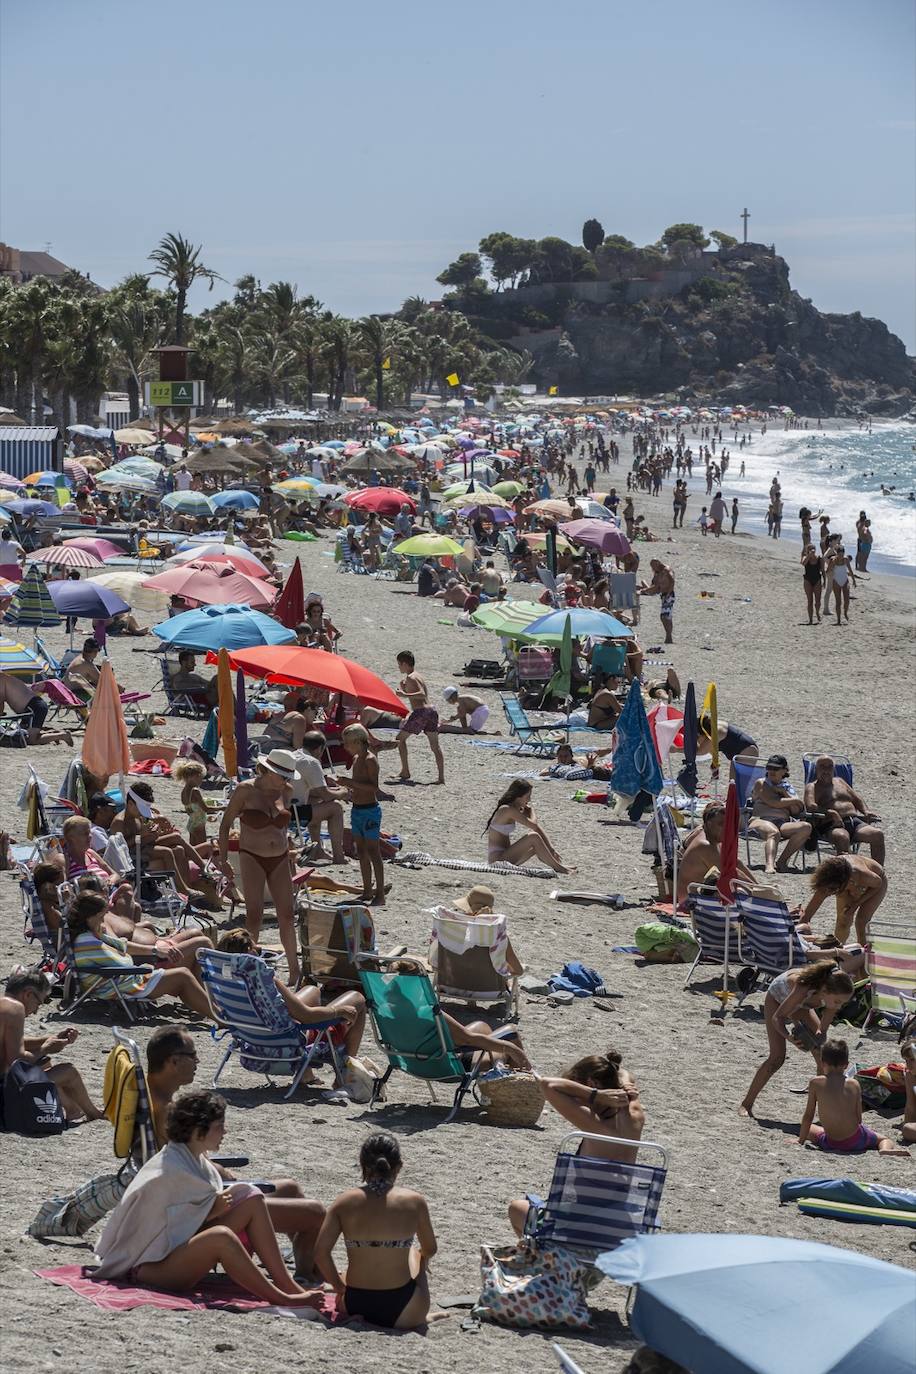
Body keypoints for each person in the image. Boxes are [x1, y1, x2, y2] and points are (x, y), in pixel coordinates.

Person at [93, 1089, 323, 1306]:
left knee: (251, 1197)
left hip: (167, 1257)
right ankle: (282, 1296)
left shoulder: (188, 1157)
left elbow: (178, 1223)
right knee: (221, 1236)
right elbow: (161, 1233)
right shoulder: (172, 1172)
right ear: (197, 1131)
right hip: (146, 1268)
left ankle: (289, 1286)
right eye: (219, 1126)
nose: (225, 1132)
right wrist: (212, 1211)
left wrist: (216, 1206)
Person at [508, 1048, 644, 1235]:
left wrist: (593, 1094)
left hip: (580, 1226)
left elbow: (547, 1084)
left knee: (517, 1208)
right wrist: (624, 1084)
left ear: (592, 1084)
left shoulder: (596, 1124)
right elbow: (622, 1072)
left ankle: (543, 1258)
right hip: (620, 1226)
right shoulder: (635, 1114)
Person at [315, 1133, 439, 1329]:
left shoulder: (344, 1201)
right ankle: (423, 1316)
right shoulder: (414, 1201)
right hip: (406, 1309)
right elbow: (431, 1248)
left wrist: (339, 1288)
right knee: (416, 1253)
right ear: (398, 1166)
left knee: (351, 1268)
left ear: (363, 1165)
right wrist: (422, 1260)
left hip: (355, 1303)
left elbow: (321, 1254)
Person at [216, 928, 367, 1066]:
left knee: (311, 990)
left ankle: (304, 1075)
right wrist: (338, 1011)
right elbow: (307, 1016)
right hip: (287, 1045)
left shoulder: (225, 984)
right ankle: (345, 1075)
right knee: (357, 998)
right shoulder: (266, 982)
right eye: (256, 949)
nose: (259, 951)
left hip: (252, 1041)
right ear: (250, 953)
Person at [218, 752, 299, 983]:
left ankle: (295, 970)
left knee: (287, 914)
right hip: (252, 854)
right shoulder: (246, 790)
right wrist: (223, 860)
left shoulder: (287, 791)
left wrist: (291, 851)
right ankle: (244, 968)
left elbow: (283, 829)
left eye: (288, 776)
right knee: (254, 915)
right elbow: (225, 825)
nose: (286, 780)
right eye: (282, 775)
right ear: (269, 771)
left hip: (280, 856)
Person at [67, 893, 213, 1017]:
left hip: (121, 980)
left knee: (181, 975)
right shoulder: (87, 941)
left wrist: (156, 951)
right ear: (95, 915)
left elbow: (123, 946)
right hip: (115, 986)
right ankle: (219, 1016)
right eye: (103, 914)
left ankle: (211, 1008)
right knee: (183, 975)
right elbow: (124, 963)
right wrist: (145, 963)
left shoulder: (93, 933)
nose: (105, 918)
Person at [739, 962, 854, 1117]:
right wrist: (789, 1037)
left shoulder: (831, 994)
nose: (838, 1007)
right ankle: (747, 1104)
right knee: (777, 1057)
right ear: (825, 990)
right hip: (777, 999)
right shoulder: (803, 987)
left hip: (802, 1005)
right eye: (838, 1002)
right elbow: (778, 1018)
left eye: (842, 1003)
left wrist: (818, 1037)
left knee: (823, 1056)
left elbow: (823, 1029)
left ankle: (824, 1109)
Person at [0, 968, 104, 1122]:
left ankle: (73, 1109)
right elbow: (17, 1061)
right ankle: (95, 1114)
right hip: (5, 1096)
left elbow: (12, 1043)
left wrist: (49, 1039)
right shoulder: (16, 1009)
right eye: (39, 1003)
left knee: (43, 1063)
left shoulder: (4, 1006)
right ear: (28, 994)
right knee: (68, 1071)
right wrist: (45, 1049)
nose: (36, 1011)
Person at [799, 1038, 908, 1156]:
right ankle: (885, 1149)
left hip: (831, 1142)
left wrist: (800, 1141)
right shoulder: (853, 1084)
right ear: (846, 1065)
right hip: (856, 1140)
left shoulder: (815, 1083)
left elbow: (808, 1116)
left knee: (810, 1128)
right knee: (884, 1139)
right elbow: (858, 1118)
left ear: (822, 1063)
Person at [337, 724, 386, 905]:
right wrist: (346, 786)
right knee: (362, 851)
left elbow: (374, 788)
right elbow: (359, 783)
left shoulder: (370, 760)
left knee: (374, 851)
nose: (345, 747)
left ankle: (380, 893)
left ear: (357, 741)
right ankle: (367, 890)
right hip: (358, 809)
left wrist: (349, 782)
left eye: (347, 744)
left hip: (370, 810)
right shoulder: (358, 758)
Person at [803, 755, 885, 863]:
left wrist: (866, 811)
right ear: (816, 769)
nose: (826, 770)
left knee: (877, 835)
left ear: (834, 769)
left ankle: (878, 873)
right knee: (842, 837)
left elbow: (857, 798)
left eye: (830, 766)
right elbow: (810, 806)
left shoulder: (840, 781)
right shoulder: (812, 787)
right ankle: (847, 874)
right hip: (831, 825)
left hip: (854, 822)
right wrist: (831, 813)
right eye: (822, 766)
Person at [799, 854, 887, 946]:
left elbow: (878, 883)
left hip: (876, 883)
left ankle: (864, 954)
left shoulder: (861, 874)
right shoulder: (827, 881)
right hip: (846, 884)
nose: (828, 894)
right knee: (843, 921)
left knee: (861, 921)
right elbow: (807, 914)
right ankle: (838, 950)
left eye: (832, 891)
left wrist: (856, 904)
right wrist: (797, 934)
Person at [484, 781, 571, 874]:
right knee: (533, 837)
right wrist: (532, 811)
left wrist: (551, 849)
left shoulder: (517, 808)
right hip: (497, 860)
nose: (529, 800)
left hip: (508, 856)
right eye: (527, 796)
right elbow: (534, 825)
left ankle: (557, 865)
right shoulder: (506, 809)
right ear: (518, 796)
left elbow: (537, 828)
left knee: (537, 846)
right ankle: (560, 868)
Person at [676, 802, 754, 904]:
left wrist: (757, 885)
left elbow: (735, 862)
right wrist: (756, 890)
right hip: (689, 901)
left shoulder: (714, 839)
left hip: (702, 892)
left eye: (727, 824)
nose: (725, 828)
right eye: (721, 824)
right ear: (709, 824)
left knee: (744, 890)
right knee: (740, 892)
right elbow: (730, 871)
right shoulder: (705, 845)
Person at [747, 755, 812, 874]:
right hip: (760, 820)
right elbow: (773, 802)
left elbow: (796, 811)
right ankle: (769, 865)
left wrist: (785, 794)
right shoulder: (761, 783)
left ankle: (782, 861)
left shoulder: (787, 787)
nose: (771, 771)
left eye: (775, 769)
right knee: (774, 832)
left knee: (805, 827)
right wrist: (795, 801)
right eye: (769, 768)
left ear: (784, 771)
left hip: (782, 822)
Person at [393, 650, 444, 784]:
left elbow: (421, 695)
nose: (398, 667)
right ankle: (441, 778)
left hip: (421, 712)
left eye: (399, 664)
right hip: (431, 711)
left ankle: (405, 771)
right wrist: (404, 689)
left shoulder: (411, 677)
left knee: (399, 739)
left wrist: (404, 695)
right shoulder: (417, 676)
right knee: (435, 746)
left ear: (404, 663)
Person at [0, 670, 73, 746]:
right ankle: (52, 734)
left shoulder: (1, 679)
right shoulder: (6, 678)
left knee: (30, 740)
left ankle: (63, 736)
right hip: (31, 707)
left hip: (34, 708)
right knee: (21, 735)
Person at [173, 760, 210, 846]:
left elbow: (189, 809)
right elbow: (206, 808)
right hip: (199, 823)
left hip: (192, 822)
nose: (201, 781)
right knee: (203, 848)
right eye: (201, 778)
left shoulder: (184, 791)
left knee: (194, 848)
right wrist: (223, 807)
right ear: (195, 777)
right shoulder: (195, 791)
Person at [638, 559, 675, 644]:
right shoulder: (658, 573)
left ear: (658, 563)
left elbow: (672, 580)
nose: (653, 568)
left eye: (654, 566)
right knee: (666, 617)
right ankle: (668, 637)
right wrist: (645, 590)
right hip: (663, 595)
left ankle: (669, 637)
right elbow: (656, 586)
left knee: (665, 617)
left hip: (669, 595)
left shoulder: (666, 570)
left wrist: (668, 593)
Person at [824, 541, 856, 625]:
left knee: (847, 601)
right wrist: (829, 570)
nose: (841, 556)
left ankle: (845, 612)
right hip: (836, 581)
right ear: (837, 554)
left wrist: (854, 581)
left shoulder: (846, 560)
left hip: (845, 581)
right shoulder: (833, 560)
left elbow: (850, 570)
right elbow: (827, 571)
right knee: (838, 602)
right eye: (840, 554)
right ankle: (838, 620)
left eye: (842, 554)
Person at [800, 543, 824, 624]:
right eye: (810, 549)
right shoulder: (805, 557)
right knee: (810, 600)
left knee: (818, 601)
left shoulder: (819, 558)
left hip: (817, 580)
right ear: (807, 550)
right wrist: (808, 556)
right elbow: (803, 563)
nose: (812, 551)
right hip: (807, 580)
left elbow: (823, 570)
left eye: (813, 549)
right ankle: (810, 619)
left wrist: (825, 581)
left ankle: (817, 612)